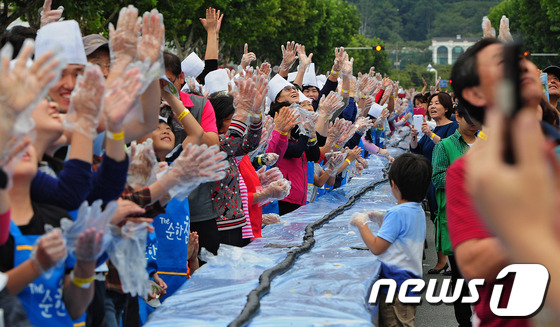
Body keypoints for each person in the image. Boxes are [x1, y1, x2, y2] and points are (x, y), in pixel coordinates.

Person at [447, 36, 545, 327]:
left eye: (522, 58)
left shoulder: (551, 149)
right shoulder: (471, 170)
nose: (524, 67)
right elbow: (475, 264)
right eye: (505, 63)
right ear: (475, 94)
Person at [350, 153, 432, 327]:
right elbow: (402, 236)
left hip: (395, 286)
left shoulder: (397, 213)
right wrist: (382, 220)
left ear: (393, 185)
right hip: (411, 283)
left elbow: (377, 247)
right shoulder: (417, 209)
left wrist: (361, 223)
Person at [431, 102, 478, 327]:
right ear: (457, 116)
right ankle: (464, 322)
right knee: (461, 276)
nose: (474, 123)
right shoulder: (445, 146)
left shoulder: (488, 143)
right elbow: (437, 179)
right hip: (457, 221)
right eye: (469, 118)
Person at [410, 92, 458, 274]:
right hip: (432, 182)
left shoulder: (453, 127)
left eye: (437, 103)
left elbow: (449, 147)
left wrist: (430, 134)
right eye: (431, 103)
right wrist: (414, 136)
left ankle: (456, 262)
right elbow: (417, 151)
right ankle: (441, 260)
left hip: (447, 182)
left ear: (447, 107)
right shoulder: (432, 129)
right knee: (437, 219)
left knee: (448, 220)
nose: (432, 106)